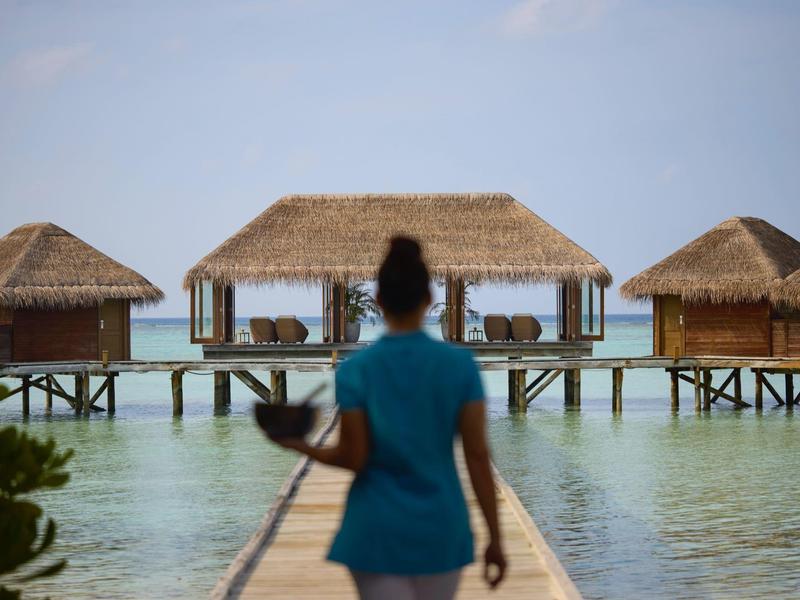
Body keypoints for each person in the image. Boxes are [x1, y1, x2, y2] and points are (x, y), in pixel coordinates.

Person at [270, 237, 506, 600]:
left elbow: (354, 457)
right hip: (441, 528)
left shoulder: (357, 371)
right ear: (428, 298)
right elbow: (476, 455)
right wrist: (495, 537)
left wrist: (300, 446)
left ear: (379, 300)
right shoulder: (460, 367)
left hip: (374, 530)